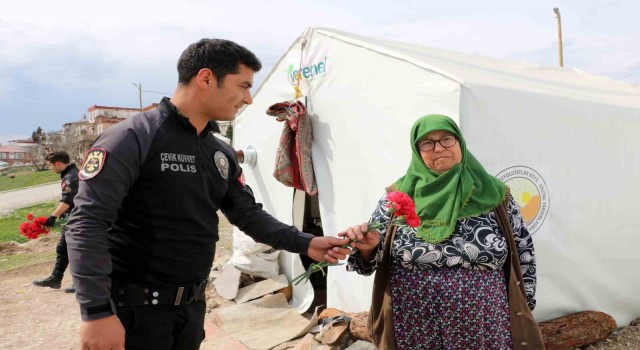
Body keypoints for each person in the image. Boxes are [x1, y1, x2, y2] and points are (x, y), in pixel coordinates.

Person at [65, 39, 350, 350]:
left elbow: (247, 213)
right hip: (134, 315)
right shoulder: (132, 138)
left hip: (189, 311)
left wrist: (306, 243)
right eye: (242, 86)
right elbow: (86, 224)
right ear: (205, 78)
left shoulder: (218, 151)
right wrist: (96, 313)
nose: (248, 99)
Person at [340, 114, 537, 349]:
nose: (438, 148)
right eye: (427, 143)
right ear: (417, 151)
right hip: (413, 319)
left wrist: (525, 304)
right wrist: (368, 247)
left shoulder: (495, 195)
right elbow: (369, 261)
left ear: (460, 143)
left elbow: (523, 249)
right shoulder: (398, 196)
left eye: (447, 139)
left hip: (483, 320)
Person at [32, 151, 78, 293]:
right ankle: (56, 278)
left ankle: (80, 282)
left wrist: (52, 217)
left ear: (58, 164)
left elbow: (67, 200)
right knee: (63, 249)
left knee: (75, 251)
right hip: (71, 218)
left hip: (76, 218)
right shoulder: (71, 174)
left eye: (51, 166)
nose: (51, 169)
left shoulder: (70, 177)